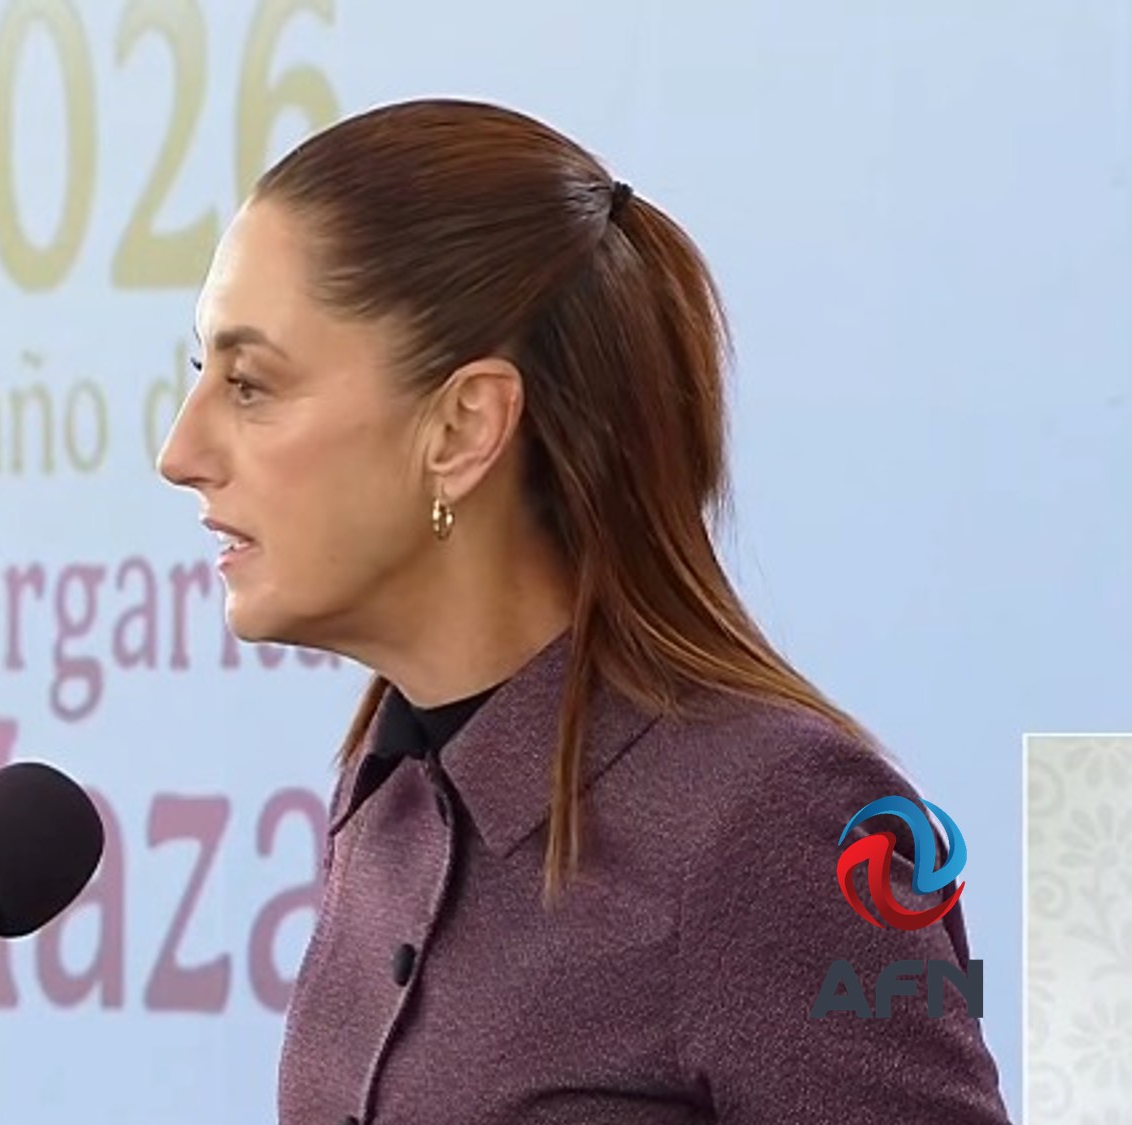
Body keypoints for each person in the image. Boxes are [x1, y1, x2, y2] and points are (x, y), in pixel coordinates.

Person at [157, 98, 1010, 1123]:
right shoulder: (386, 796)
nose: (179, 453)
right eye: (201, 374)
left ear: (463, 427)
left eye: (249, 384)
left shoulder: (777, 822)